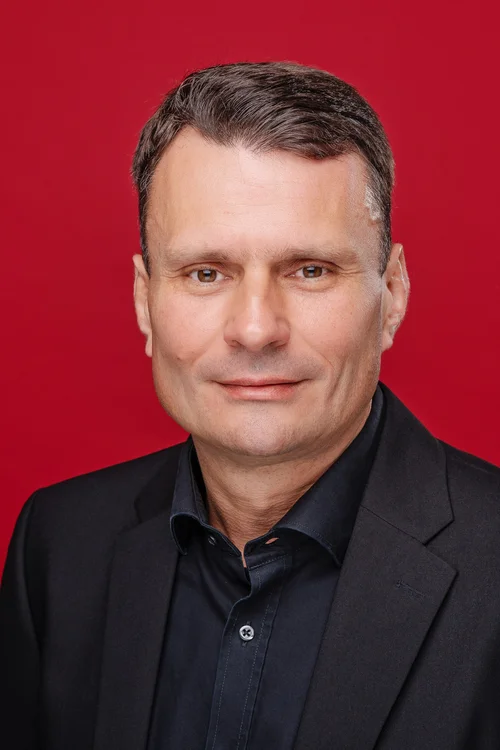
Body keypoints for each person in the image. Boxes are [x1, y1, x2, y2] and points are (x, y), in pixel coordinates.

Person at [1, 60, 500, 750]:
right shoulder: (58, 546)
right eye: (206, 273)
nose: (257, 328)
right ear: (146, 301)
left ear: (392, 295)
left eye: (310, 270)